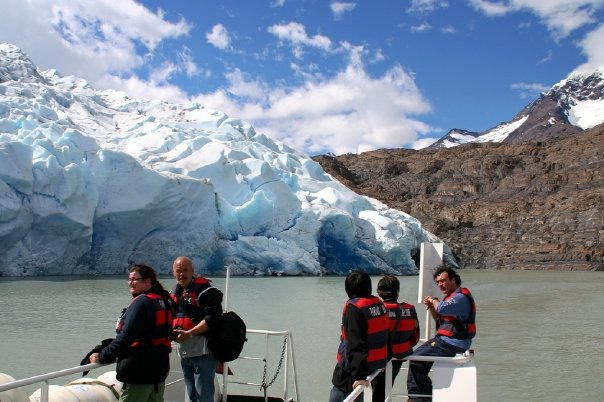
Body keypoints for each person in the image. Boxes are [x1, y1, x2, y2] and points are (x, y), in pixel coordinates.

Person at [89, 264, 173, 402]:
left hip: (139, 373)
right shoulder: (163, 300)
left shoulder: (141, 303)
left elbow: (125, 338)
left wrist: (103, 356)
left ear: (147, 281)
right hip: (158, 371)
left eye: (135, 279)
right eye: (129, 279)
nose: (130, 283)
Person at [406, 265, 476, 402]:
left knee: (416, 360)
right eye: (438, 282)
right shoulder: (451, 298)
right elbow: (439, 318)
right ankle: (422, 396)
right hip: (445, 341)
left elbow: (442, 309)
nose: (440, 285)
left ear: (453, 280)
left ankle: (418, 399)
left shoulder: (460, 298)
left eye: (443, 281)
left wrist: (434, 300)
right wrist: (432, 306)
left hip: (451, 343)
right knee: (416, 358)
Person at [329, 270, 389, 402]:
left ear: (348, 289)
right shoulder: (378, 305)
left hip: (350, 375)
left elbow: (355, 344)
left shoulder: (354, 309)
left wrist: (359, 376)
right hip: (372, 368)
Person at [170, 256, 223, 402]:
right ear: (173, 273)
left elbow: (212, 319)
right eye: (178, 271)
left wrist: (190, 333)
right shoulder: (175, 292)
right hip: (185, 353)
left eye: (185, 270)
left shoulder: (206, 291)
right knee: (192, 396)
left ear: (193, 271)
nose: (182, 274)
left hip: (203, 353)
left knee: (203, 397)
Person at [372, 275, 420, 402]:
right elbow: (415, 337)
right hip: (399, 356)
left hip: (378, 358)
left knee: (370, 389)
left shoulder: (377, 311)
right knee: (384, 389)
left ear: (379, 292)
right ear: (397, 291)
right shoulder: (410, 310)